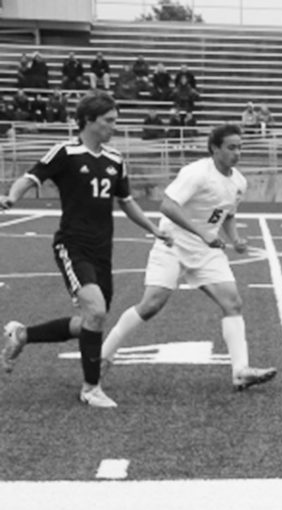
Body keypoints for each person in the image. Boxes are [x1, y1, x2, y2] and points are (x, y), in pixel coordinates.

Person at [0, 92, 172, 408]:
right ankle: (91, 388)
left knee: (90, 322)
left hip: (102, 249)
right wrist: (11, 197)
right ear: (89, 120)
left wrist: (154, 229)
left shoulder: (115, 160)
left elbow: (127, 201)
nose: (114, 127)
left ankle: (22, 335)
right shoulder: (65, 152)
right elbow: (30, 177)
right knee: (96, 311)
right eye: (109, 121)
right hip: (72, 245)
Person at [100, 124, 277, 394]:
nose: (237, 153)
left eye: (240, 147)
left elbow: (226, 214)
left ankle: (240, 371)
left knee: (233, 303)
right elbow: (168, 206)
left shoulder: (238, 181)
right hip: (173, 243)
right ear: (214, 148)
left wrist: (235, 239)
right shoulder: (196, 173)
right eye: (231, 147)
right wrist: (201, 234)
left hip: (206, 250)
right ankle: (102, 356)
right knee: (151, 305)